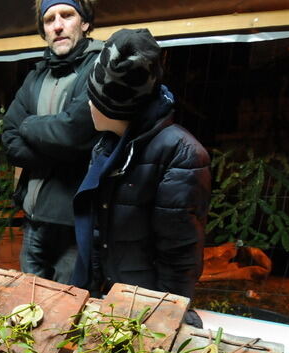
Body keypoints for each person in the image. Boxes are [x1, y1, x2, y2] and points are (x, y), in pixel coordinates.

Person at [71, 28, 211, 326]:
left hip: (146, 314)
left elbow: (180, 256)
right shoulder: (109, 144)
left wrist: (163, 323)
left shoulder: (181, 154)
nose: (88, 104)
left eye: (93, 97)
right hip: (113, 302)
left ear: (115, 105)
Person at [2, 0, 102, 283]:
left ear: (84, 23)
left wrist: (28, 125)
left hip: (73, 222)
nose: (57, 25)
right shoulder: (36, 75)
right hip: (33, 218)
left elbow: (74, 132)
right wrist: (58, 151)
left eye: (67, 15)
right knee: (28, 306)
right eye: (49, 20)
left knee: (66, 312)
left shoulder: (98, 67)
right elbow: (9, 137)